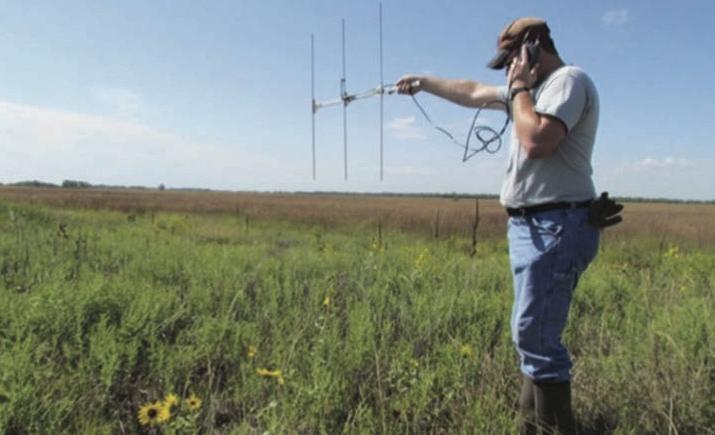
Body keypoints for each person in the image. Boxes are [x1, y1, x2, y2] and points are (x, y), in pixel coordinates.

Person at [397, 17, 621, 434]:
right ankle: (531, 427)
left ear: (533, 49)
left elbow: (537, 141)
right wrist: (424, 82)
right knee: (530, 336)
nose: (505, 71)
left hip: (557, 224)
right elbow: (473, 91)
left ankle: (553, 428)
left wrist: (518, 89)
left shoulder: (567, 81)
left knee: (536, 336)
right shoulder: (529, 91)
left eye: (510, 59)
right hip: (531, 227)